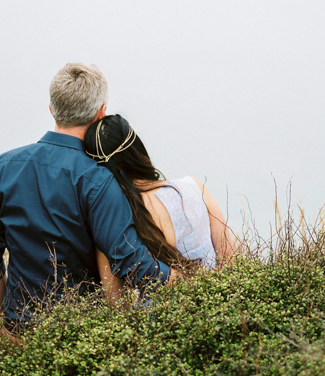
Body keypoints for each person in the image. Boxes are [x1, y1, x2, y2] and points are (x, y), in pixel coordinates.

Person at [0, 63, 172, 324]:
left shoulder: (4, 167)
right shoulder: (99, 180)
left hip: (17, 333)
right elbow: (129, 259)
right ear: (101, 113)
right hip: (79, 338)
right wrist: (178, 278)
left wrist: (13, 318)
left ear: (52, 108)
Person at [83, 113, 234, 303]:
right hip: (218, 314)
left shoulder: (113, 224)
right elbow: (231, 261)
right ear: (137, 148)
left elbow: (116, 304)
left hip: (157, 330)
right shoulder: (194, 187)